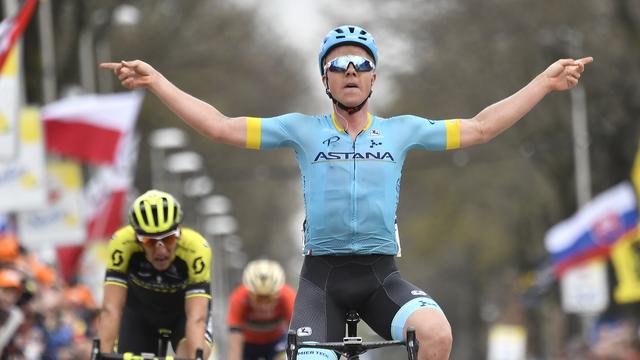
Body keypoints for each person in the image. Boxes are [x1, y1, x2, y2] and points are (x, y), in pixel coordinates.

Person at [101, 24, 592, 360]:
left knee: (437, 334)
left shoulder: (403, 130)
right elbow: (221, 127)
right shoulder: (302, 129)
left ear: (374, 76)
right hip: (323, 279)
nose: (351, 71)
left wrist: (543, 84)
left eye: (361, 63)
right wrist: (157, 82)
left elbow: (482, 128)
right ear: (325, 78)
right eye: (339, 65)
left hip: (382, 276)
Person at [97, 190, 213, 358]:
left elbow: (196, 318)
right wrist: (102, 354)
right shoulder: (122, 244)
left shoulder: (196, 249)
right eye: (150, 241)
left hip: (183, 314)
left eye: (168, 239)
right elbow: (111, 309)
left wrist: (197, 356)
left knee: (191, 353)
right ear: (137, 239)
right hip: (139, 315)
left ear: (179, 232)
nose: (161, 249)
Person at [226, 259, 295, 360]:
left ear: (277, 292)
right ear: (249, 292)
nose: (263, 305)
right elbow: (234, 342)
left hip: (276, 341)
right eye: (258, 298)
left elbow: (297, 335)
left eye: (269, 298)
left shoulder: (287, 296)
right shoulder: (239, 297)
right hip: (248, 343)